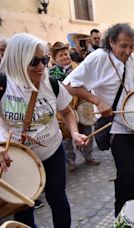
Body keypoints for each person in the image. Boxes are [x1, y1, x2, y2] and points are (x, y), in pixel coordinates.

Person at [0, 33, 88, 227]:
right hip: (18, 158)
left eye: (44, 60)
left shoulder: (51, 83)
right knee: (24, 207)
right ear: (17, 60)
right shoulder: (3, 85)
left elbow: (67, 112)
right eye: (34, 62)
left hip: (52, 151)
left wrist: (74, 133)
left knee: (58, 199)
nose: (41, 67)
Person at [63, 23, 134, 216]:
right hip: (116, 126)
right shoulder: (99, 58)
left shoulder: (132, 59)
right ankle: (122, 214)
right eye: (123, 46)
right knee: (127, 171)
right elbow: (69, 84)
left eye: (131, 46)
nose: (128, 51)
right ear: (111, 42)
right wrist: (97, 101)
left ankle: (128, 198)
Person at [48, 42, 99, 171]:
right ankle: (70, 161)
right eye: (61, 55)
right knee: (66, 137)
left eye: (66, 54)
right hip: (63, 108)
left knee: (87, 131)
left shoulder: (78, 68)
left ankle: (88, 156)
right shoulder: (51, 74)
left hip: (81, 105)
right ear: (55, 58)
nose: (65, 57)